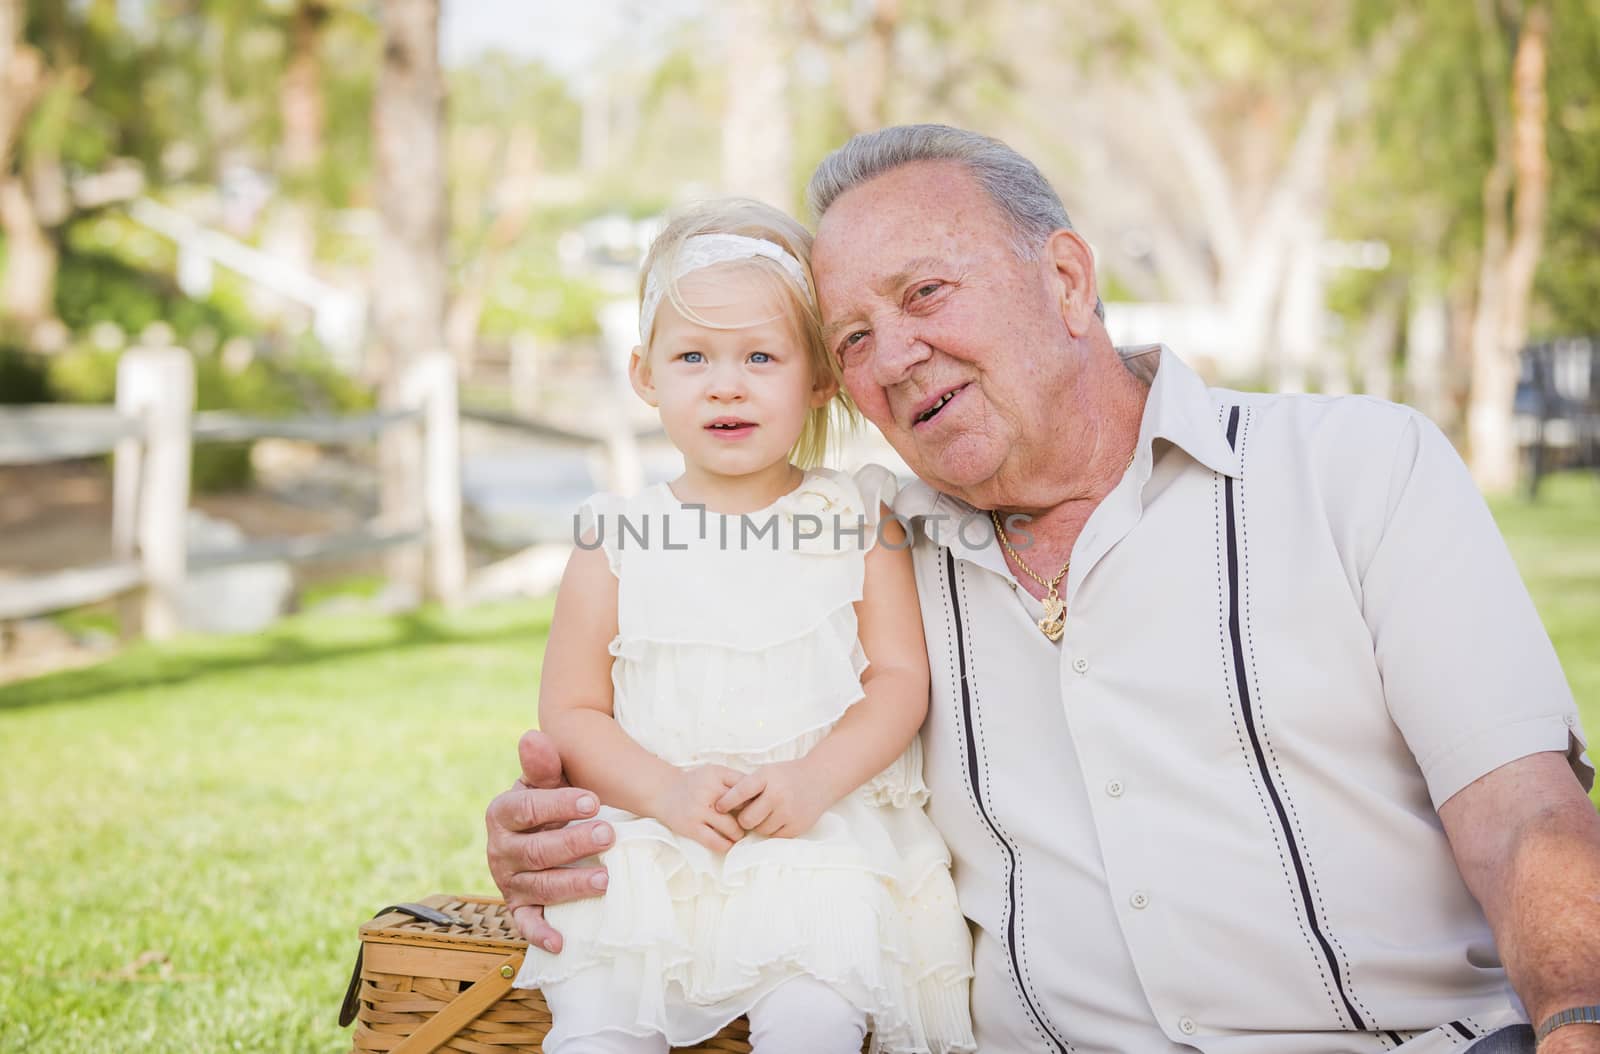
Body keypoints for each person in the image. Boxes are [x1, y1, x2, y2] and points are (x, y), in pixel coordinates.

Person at [487, 126, 1600, 1054]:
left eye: (926, 292)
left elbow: (1526, 822)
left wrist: (1578, 1020)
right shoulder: (862, 553)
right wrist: (561, 830)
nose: (895, 356)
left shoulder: (1354, 468)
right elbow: (681, 705)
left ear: (1067, 280)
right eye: (855, 337)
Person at [511, 197, 975, 1054]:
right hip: (658, 836)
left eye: (762, 356)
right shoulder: (612, 538)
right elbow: (572, 711)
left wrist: (812, 781)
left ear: (818, 381)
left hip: (815, 830)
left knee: (815, 1013)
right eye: (693, 356)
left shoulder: (855, 518)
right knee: (599, 1022)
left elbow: (898, 681)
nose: (726, 383)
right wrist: (664, 793)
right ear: (645, 374)